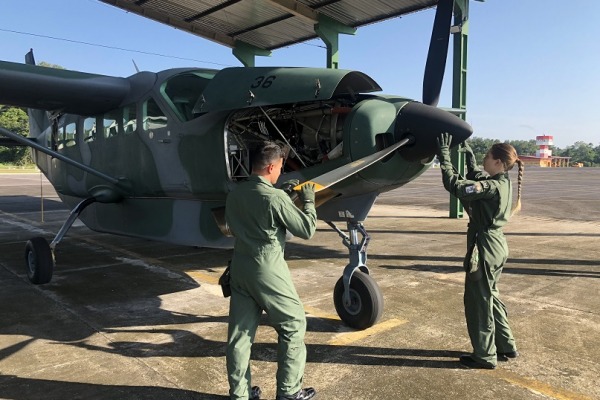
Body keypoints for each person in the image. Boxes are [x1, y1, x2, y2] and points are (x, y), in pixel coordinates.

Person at [225, 141, 318, 400]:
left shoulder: (235, 193)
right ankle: (288, 392)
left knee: (240, 336)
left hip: (240, 265)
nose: (280, 173)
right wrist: (308, 201)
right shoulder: (274, 198)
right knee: (293, 324)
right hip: (267, 268)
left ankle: (240, 394)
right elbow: (307, 229)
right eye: (278, 168)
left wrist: (281, 196)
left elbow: (233, 224)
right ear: (270, 166)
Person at [436, 133, 524, 370]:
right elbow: (477, 177)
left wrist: (444, 156)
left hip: (484, 250)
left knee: (479, 301)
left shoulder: (491, 187)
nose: (484, 160)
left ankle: (484, 355)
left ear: (497, 162)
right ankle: (506, 345)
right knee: (491, 295)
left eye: (487, 156)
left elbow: (455, 185)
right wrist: (470, 157)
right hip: (497, 245)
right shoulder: (503, 183)